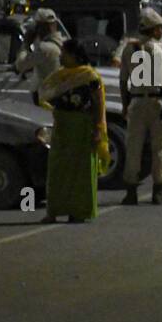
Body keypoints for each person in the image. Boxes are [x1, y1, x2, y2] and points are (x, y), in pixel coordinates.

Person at [37, 39, 107, 224]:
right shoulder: (60, 76)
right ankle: (53, 211)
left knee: (80, 171)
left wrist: (98, 129)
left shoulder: (89, 76)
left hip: (82, 126)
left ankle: (78, 212)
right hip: (62, 126)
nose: (61, 56)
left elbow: (98, 103)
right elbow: (44, 94)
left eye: (64, 53)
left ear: (75, 56)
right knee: (57, 169)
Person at [119, 7, 162, 205]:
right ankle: (159, 190)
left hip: (136, 102)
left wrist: (125, 105)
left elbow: (123, 81)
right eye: (160, 27)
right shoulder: (158, 50)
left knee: (133, 147)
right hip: (156, 103)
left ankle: (130, 192)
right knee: (159, 146)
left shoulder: (129, 49)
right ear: (153, 30)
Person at [14, 8, 65, 99]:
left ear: (41, 27)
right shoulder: (64, 43)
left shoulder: (44, 48)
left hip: (46, 96)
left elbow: (20, 65)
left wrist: (25, 44)